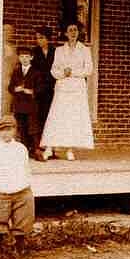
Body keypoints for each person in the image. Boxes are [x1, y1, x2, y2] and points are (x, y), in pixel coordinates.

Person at [0, 115, 35, 259]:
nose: (5, 134)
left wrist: (25, 187)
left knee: (21, 226)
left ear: (14, 130)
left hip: (21, 191)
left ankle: (19, 257)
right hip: (1, 191)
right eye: (1, 130)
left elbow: (26, 170)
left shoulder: (20, 149)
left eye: (8, 129)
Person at [40, 22, 95, 161]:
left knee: (72, 118)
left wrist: (73, 72)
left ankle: (70, 149)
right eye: (70, 30)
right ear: (65, 33)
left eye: (75, 30)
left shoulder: (85, 50)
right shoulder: (59, 50)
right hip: (63, 87)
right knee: (57, 116)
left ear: (78, 32)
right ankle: (49, 147)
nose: (73, 33)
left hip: (77, 88)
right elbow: (53, 70)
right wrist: (63, 73)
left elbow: (89, 70)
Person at [8, 46, 46, 162]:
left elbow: (41, 88)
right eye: (22, 57)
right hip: (19, 104)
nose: (24, 59)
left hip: (31, 105)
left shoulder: (36, 73)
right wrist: (16, 89)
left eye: (27, 57)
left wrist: (32, 91)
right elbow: (10, 87)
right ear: (19, 58)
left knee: (33, 129)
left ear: (31, 58)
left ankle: (37, 151)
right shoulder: (16, 72)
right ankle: (24, 152)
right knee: (22, 129)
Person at [31, 26, 56, 157]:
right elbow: (33, 70)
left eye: (41, 38)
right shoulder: (34, 52)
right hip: (39, 90)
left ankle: (51, 148)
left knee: (51, 118)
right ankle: (39, 147)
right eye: (37, 38)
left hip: (52, 89)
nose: (38, 40)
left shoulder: (55, 51)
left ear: (47, 39)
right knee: (39, 118)